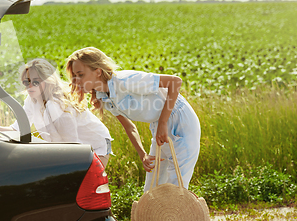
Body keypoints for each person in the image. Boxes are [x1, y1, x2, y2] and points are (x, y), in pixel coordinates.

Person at [65, 47, 200, 191]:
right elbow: (129, 127)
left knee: (176, 187)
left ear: (98, 71)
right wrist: (143, 155)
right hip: (159, 123)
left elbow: (175, 82)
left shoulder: (125, 80)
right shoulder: (103, 96)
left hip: (180, 120)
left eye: (80, 74)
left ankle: (183, 211)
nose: (76, 80)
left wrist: (163, 122)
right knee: (152, 189)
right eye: (74, 76)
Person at [0, 58, 113, 167]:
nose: (29, 86)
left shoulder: (56, 106)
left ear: (47, 81)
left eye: (35, 82)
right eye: (26, 82)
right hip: (75, 146)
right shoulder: (32, 100)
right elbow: (16, 129)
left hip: (97, 144)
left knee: (88, 185)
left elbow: (73, 145)